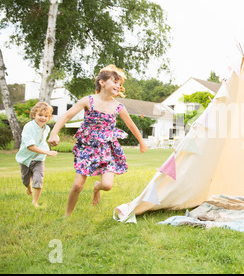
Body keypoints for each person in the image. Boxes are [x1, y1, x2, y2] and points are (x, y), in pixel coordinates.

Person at [48, 64, 148, 216]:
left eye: (120, 84)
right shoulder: (88, 101)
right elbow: (66, 116)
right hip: (86, 146)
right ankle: (67, 215)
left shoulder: (118, 107)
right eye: (114, 82)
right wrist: (54, 133)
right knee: (78, 185)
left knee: (107, 185)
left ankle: (97, 187)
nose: (118, 86)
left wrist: (141, 142)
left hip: (106, 148)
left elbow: (131, 125)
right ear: (102, 82)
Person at [16, 102, 58, 206]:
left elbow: (42, 141)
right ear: (34, 115)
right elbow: (30, 146)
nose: (43, 118)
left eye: (46, 116)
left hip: (39, 159)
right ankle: (28, 187)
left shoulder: (47, 128)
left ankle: (35, 202)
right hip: (25, 159)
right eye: (40, 115)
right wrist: (47, 152)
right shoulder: (28, 127)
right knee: (25, 181)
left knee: (38, 179)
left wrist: (54, 139)